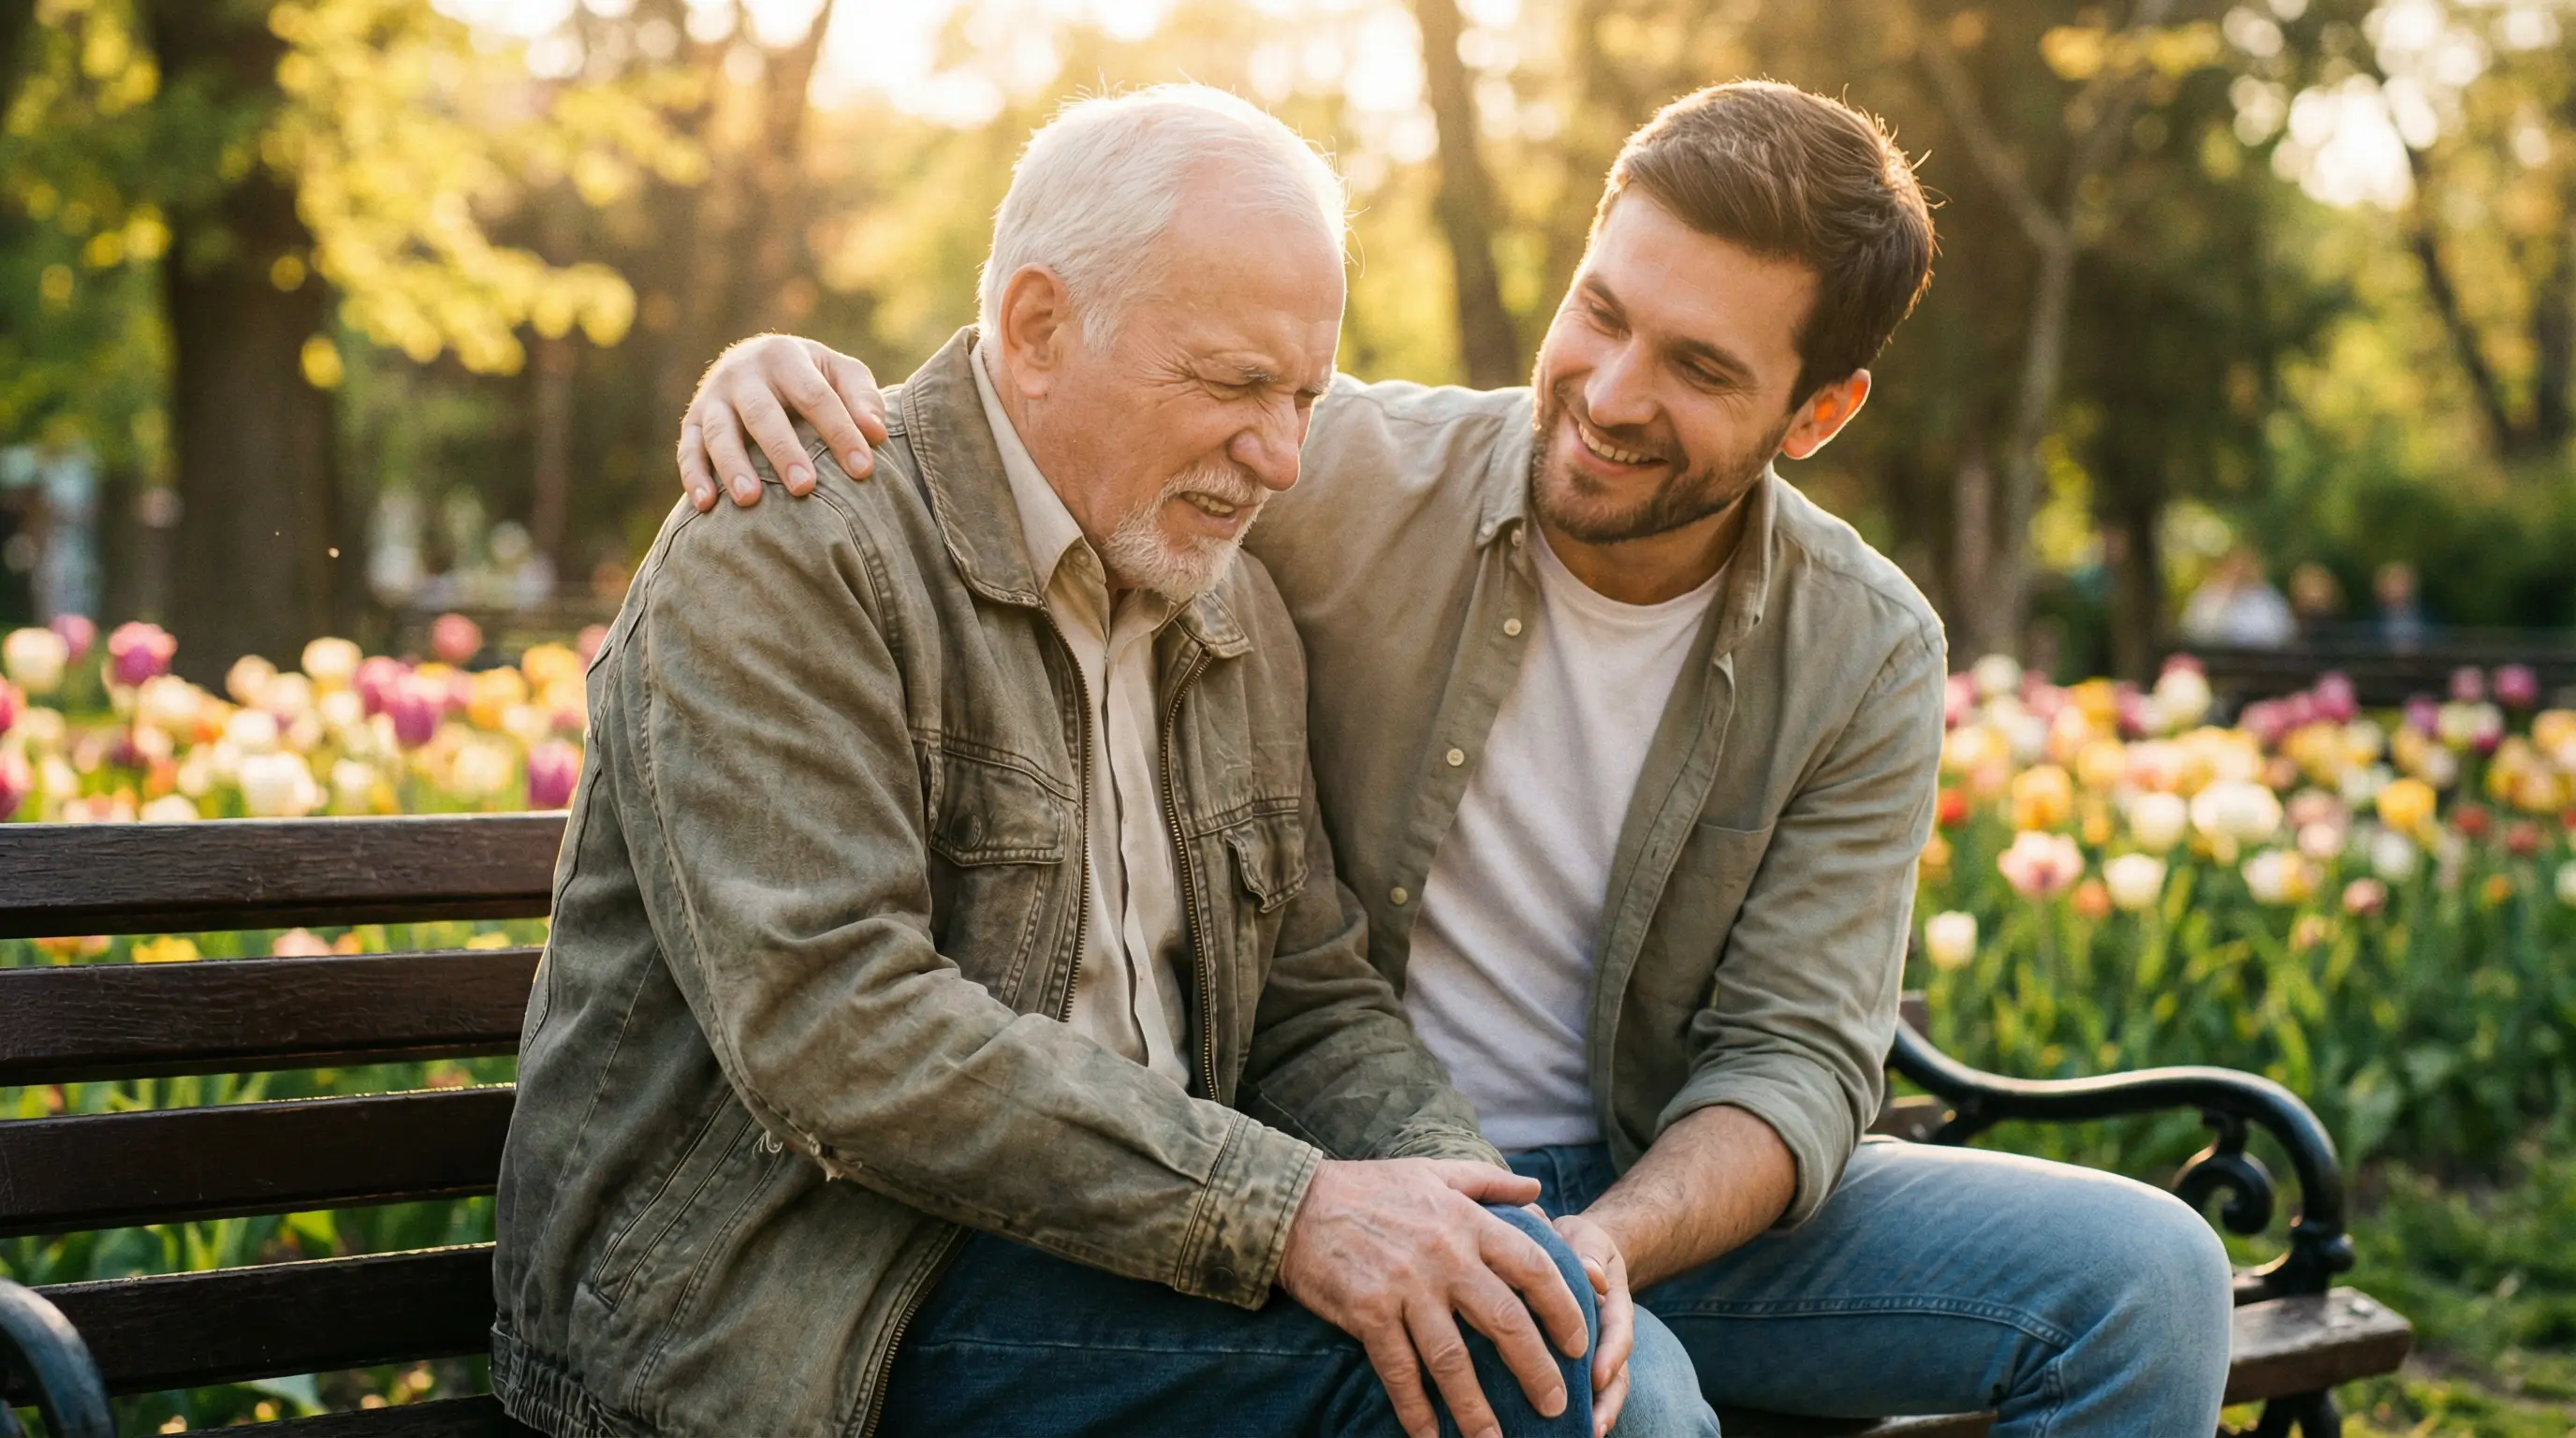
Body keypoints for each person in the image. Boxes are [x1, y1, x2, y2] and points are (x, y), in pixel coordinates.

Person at [677, 81, 2236, 1435]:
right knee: (1585, 1388)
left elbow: (1798, 1060)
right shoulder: (1329, 472)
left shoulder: (1865, 647)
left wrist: (1594, 1246)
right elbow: (1069, 384)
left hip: (1656, 1194)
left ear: (1817, 412)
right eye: (1601, 315)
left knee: (2149, 1279)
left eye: (1699, 369)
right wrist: (782, 370)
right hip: (1323, 1174)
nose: (1611, 398)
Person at [495, 88, 1724, 1438]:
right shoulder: (792, 546)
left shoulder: (1231, 607)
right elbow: (835, 1025)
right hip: (805, 1309)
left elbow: (1309, 1003)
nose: (1282, 457)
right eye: (1235, 383)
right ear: (1036, 328)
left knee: (1544, 1328)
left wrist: (1467, 1211)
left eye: (1304, 396)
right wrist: (1290, 1213)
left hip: (1131, 1253)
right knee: (1525, 1390)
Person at [2179, 547, 2296, 648]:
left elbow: (2282, 633)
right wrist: (2225, 595)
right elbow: (2197, 631)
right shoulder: (2208, 595)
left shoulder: (2269, 598)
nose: (2241, 572)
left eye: (2246, 566)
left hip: (2262, 662)